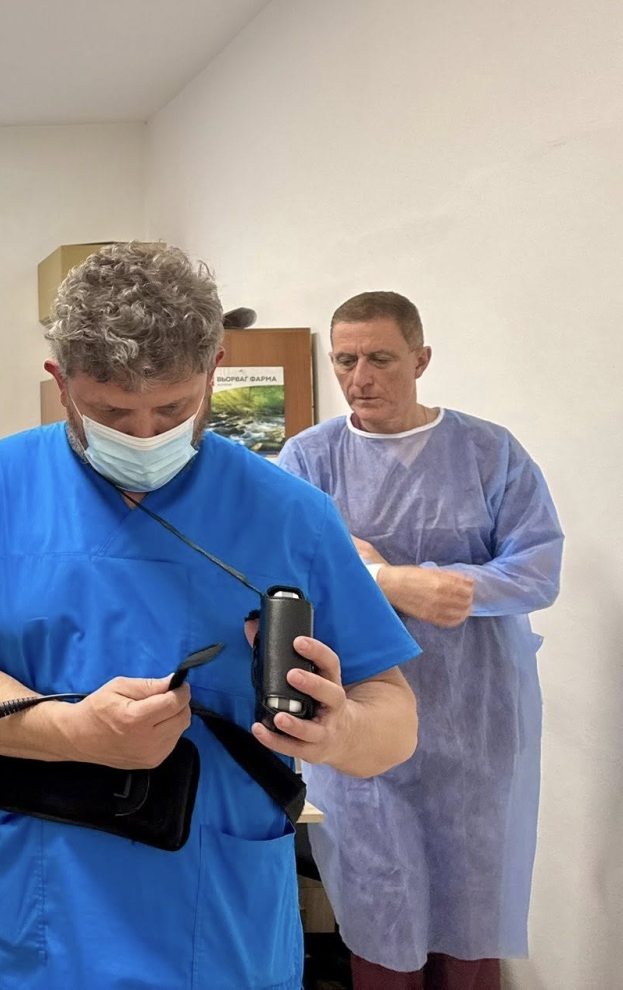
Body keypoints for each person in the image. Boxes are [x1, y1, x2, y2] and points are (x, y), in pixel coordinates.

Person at [0, 242, 423, 989]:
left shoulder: (291, 513)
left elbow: (394, 718)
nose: (143, 436)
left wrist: (341, 732)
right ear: (60, 381)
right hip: (41, 915)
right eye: (110, 412)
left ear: (215, 368)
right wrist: (72, 731)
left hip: (221, 923)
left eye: (172, 409)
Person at [277, 291, 563, 990]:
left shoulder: (489, 453)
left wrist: (445, 586)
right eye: (345, 360)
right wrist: (390, 582)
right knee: (379, 900)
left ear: (421, 358)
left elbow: (536, 569)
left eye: (380, 358)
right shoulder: (310, 461)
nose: (360, 377)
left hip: (475, 720)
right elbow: (287, 573)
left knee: (472, 909)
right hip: (359, 716)